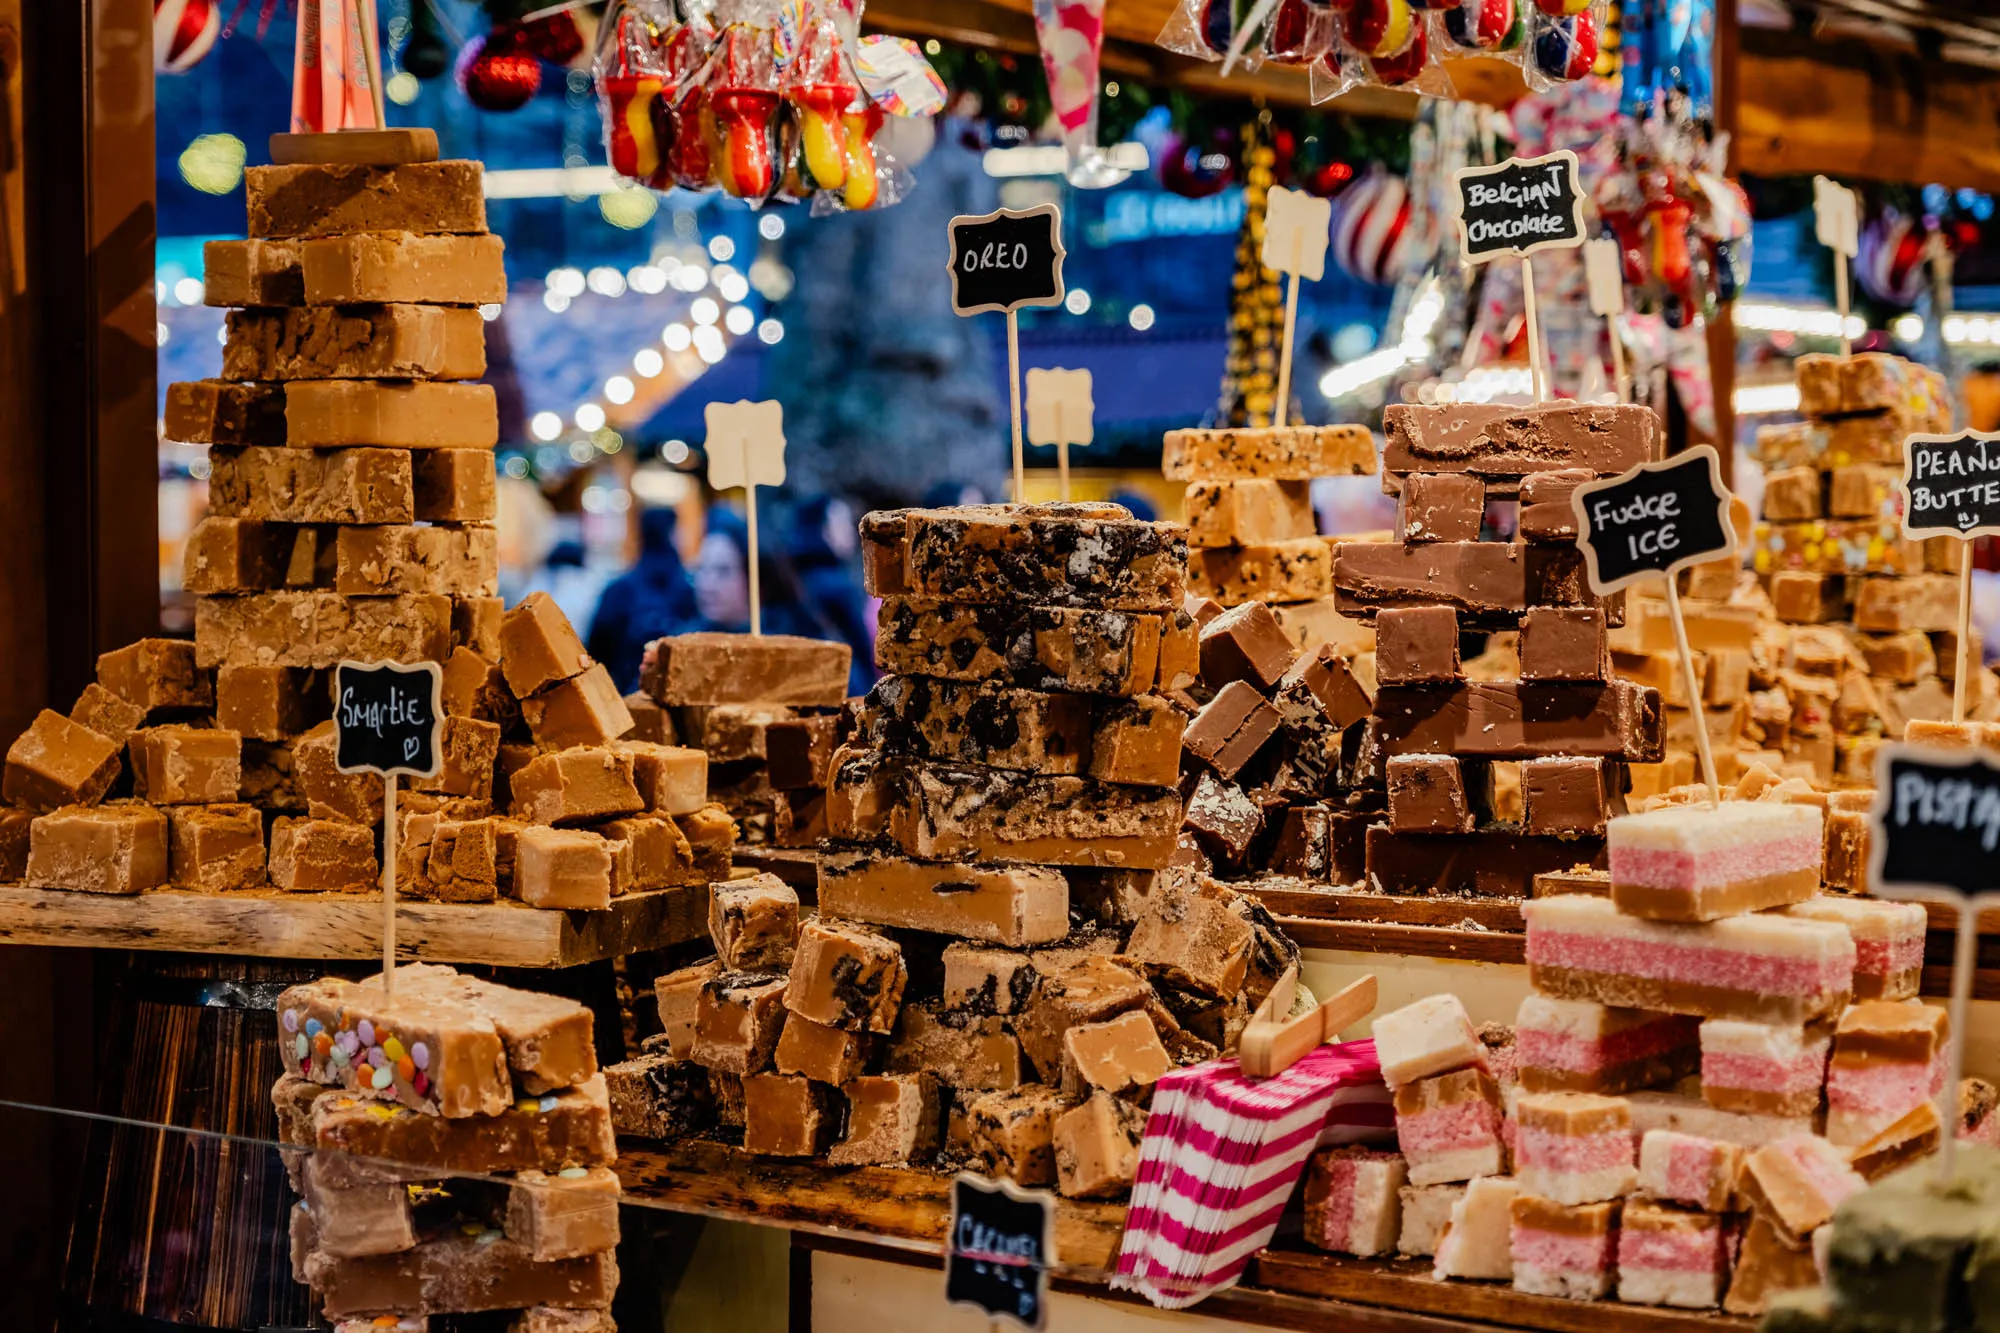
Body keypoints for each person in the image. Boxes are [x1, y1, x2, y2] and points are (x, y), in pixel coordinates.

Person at [586, 505, 699, 692]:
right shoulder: (690, 589)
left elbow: (596, 651)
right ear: (672, 534)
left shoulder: (618, 590)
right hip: (681, 700)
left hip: (624, 700)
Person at [787, 494, 876, 693]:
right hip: (845, 688)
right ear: (823, 530)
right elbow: (863, 648)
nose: (852, 532)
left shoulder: (790, 576)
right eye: (842, 524)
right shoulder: (838, 586)